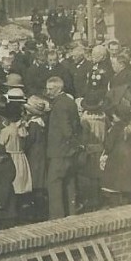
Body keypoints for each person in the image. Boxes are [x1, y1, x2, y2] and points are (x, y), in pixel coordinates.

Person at [45, 76, 81, 219]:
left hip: (59, 150)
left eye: (51, 89)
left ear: (59, 89)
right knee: (69, 182)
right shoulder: (69, 101)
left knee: (54, 183)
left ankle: (56, 217)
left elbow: (66, 129)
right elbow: (76, 125)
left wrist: (69, 141)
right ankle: (71, 212)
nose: (48, 92)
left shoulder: (59, 105)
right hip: (69, 151)